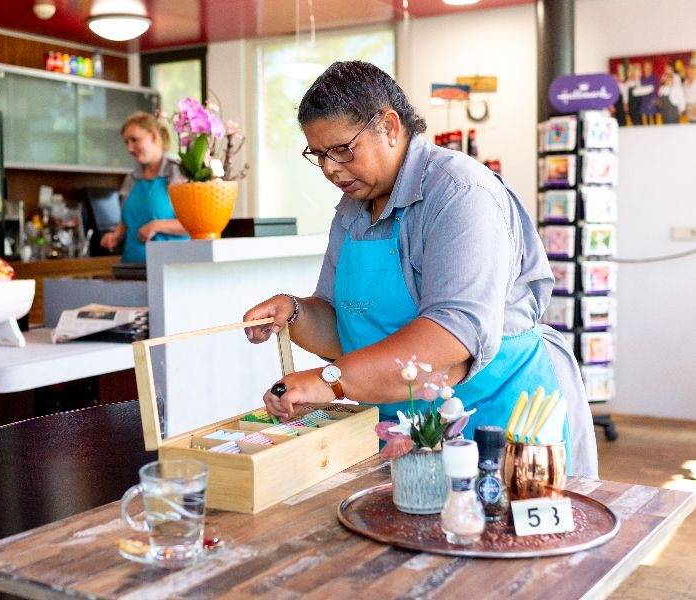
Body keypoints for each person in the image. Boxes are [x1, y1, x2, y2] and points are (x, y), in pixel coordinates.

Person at [243, 61, 598, 478]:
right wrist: (296, 313)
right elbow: (344, 328)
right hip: (407, 426)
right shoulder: (352, 210)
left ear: (390, 127)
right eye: (318, 155)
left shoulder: (461, 193)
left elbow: (454, 333)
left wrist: (329, 381)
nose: (330, 169)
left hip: (499, 417)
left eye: (341, 150)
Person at [100, 112, 188, 263]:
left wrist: (157, 225)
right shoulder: (131, 178)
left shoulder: (177, 172)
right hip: (131, 267)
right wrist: (115, 235)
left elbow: (194, 225)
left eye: (134, 140)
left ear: (153, 136)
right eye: (126, 142)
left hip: (170, 269)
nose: (129, 148)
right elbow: (127, 222)